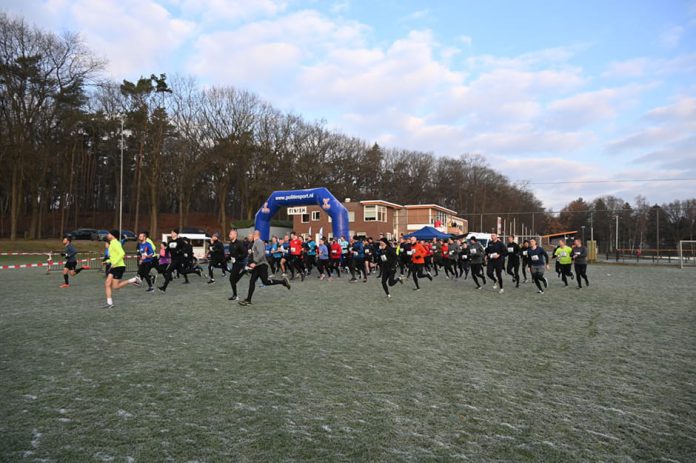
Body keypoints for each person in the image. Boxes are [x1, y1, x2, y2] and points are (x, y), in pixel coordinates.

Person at [238, 230, 291, 306]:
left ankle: (283, 281)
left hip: (262, 265)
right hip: (258, 265)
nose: (250, 237)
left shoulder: (258, 242)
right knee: (252, 281)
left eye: (251, 235)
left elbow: (262, 254)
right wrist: (250, 263)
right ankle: (248, 300)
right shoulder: (255, 243)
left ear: (254, 235)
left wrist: (255, 262)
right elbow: (255, 255)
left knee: (265, 282)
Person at [103, 230, 141, 308]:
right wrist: (108, 261)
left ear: (113, 235)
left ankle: (134, 279)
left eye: (109, 234)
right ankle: (109, 304)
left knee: (115, 287)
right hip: (114, 266)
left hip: (119, 267)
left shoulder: (116, 243)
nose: (108, 235)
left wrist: (114, 263)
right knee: (107, 283)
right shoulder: (112, 243)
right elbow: (114, 256)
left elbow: (122, 253)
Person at [227, 229, 248, 301]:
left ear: (235, 235)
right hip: (234, 263)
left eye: (231, 234)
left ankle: (235, 296)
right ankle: (244, 271)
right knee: (233, 280)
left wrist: (237, 258)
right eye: (229, 234)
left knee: (231, 279)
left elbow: (245, 253)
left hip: (239, 263)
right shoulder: (230, 244)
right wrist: (225, 260)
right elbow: (231, 255)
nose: (229, 235)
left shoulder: (239, 243)